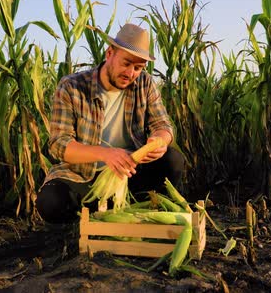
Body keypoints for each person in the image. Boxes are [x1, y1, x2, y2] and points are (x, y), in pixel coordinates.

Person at [36, 23, 184, 223]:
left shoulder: (145, 84)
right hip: (85, 175)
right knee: (51, 201)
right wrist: (105, 154)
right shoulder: (72, 87)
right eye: (126, 63)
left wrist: (159, 140)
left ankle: (140, 212)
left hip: (129, 173)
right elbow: (58, 144)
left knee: (172, 159)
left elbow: (164, 126)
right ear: (109, 53)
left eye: (138, 68)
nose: (131, 73)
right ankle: (82, 226)